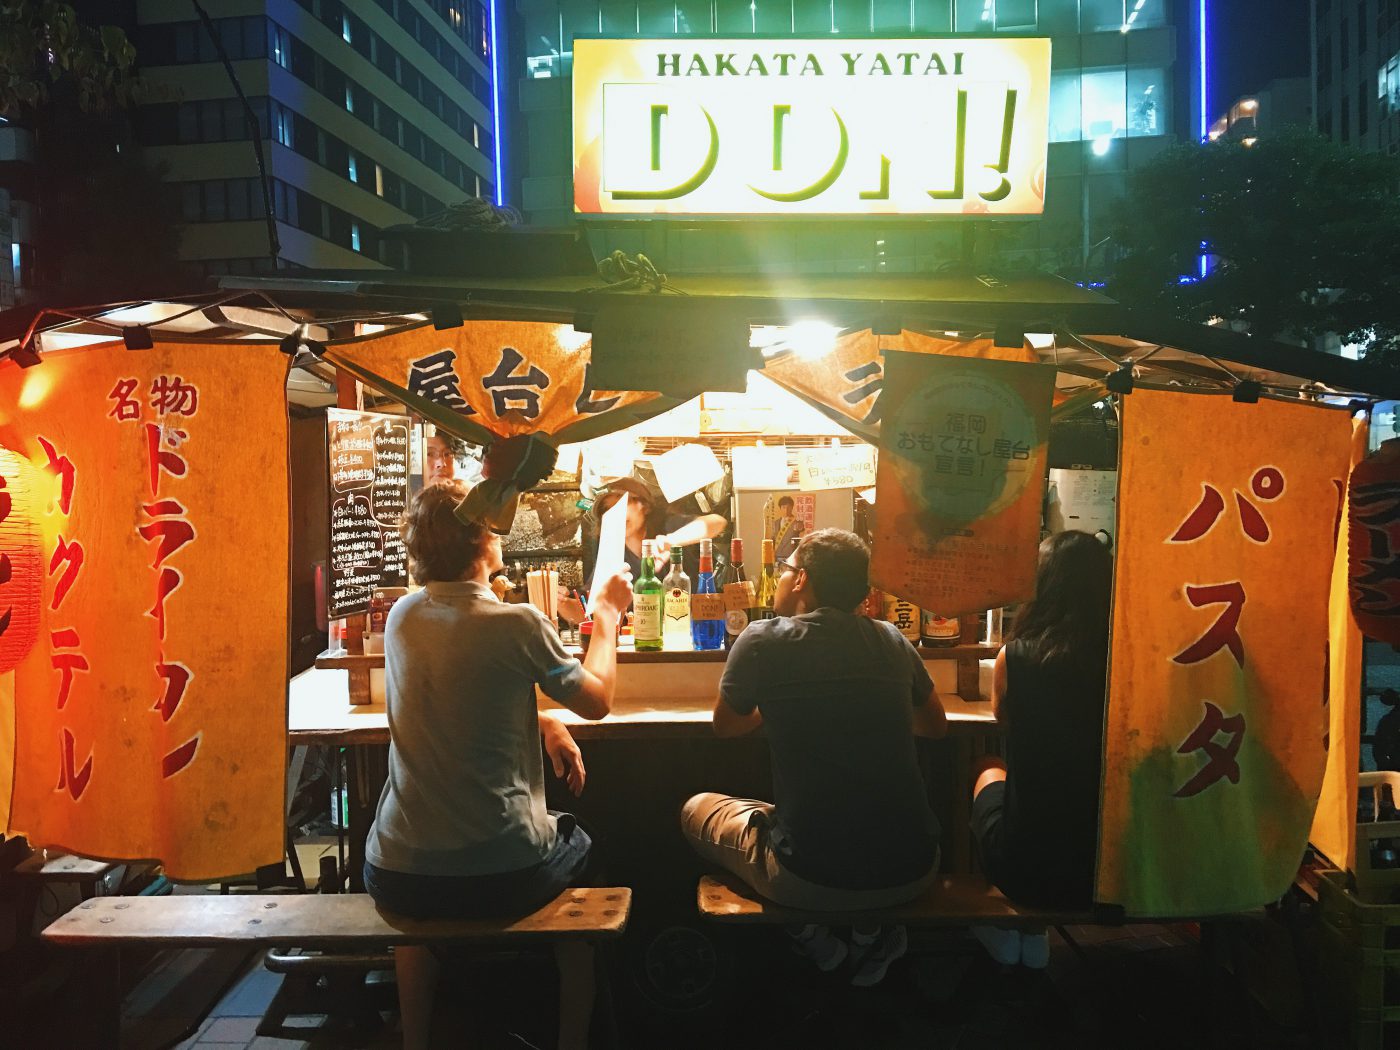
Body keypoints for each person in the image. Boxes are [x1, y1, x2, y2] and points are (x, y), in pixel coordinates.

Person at [364, 479, 633, 1050]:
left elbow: (463, 694)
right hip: (501, 874)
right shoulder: (517, 625)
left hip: (396, 874)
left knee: (418, 912)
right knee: (586, 853)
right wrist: (606, 612)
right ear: (485, 539)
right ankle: (571, 1039)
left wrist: (542, 722)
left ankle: (416, 1040)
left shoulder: (402, 618)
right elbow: (599, 700)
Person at [680, 528, 948, 986]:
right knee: (842, 818)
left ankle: (812, 936)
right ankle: (869, 936)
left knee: (696, 809)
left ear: (801, 579)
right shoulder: (890, 640)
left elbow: (726, 725)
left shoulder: (763, 640)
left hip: (808, 876)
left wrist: (780, 704)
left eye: (786, 571)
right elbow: (934, 726)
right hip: (916, 866)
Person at [969, 529, 1111, 970]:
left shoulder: (1018, 655)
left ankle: (998, 918)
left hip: (1026, 868)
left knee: (989, 767)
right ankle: (1029, 930)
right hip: (1106, 869)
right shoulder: (1125, 656)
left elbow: (1003, 718)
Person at [590, 475, 726, 580]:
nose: (615, 515)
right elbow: (590, 601)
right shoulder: (610, 554)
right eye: (607, 509)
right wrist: (568, 604)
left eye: (621, 503)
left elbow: (717, 523)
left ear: (644, 506)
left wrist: (671, 541)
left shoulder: (667, 526)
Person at [770, 494, 804, 562]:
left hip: (790, 556)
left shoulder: (797, 523)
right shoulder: (775, 523)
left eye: (789, 507)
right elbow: (772, 540)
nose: (786, 510)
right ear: (780, 508)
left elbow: (801, 529)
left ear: (792, 508)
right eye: (784, 507)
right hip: (777, 556)